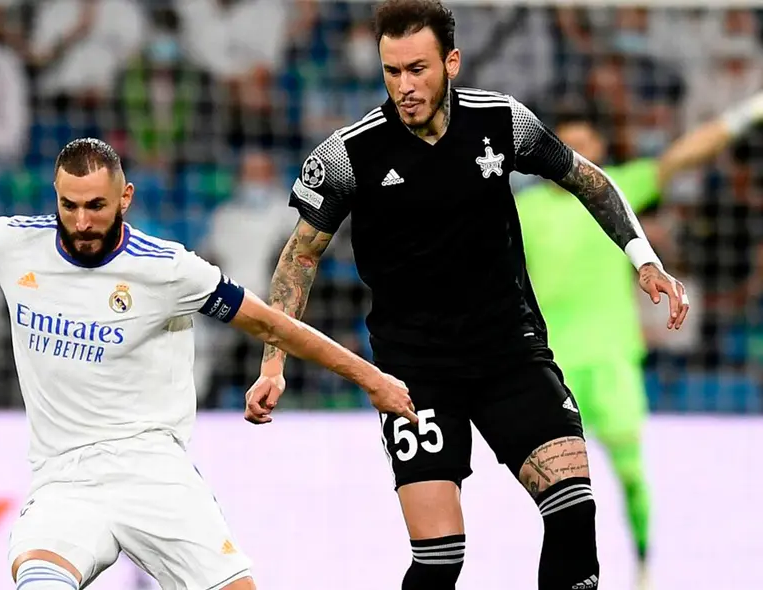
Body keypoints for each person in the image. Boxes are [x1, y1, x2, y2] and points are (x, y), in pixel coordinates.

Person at [0, 138, 417, 590]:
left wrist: (364, 378)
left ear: (124, 198)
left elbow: (271, 322)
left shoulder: (169, 269)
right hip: (64, 479)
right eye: (69, 205)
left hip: (153, 471)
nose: (81, 222)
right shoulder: (10, 243)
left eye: (96, 206)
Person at [243, 1, 690, 589]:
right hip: (415, 372)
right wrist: (273, 360)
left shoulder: (502, 121)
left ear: (451, 62)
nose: (404, 86)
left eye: (418, 69)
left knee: (574, 510)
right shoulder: (349, 156)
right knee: (440, 559)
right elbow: (299, 257)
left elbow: (588, 179)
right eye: (392, 71)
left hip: (511, 355)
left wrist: (645, 260)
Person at [515, 93, 763, 590]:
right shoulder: (522, 208)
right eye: (567, 144)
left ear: (600, 147)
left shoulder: (616, 190)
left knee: (630, 472)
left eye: (585, 143)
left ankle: (645, 564)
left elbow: (686, 153)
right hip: (549, 363)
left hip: (611, 358)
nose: (577, 154)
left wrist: (750, 109)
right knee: (556, 485)